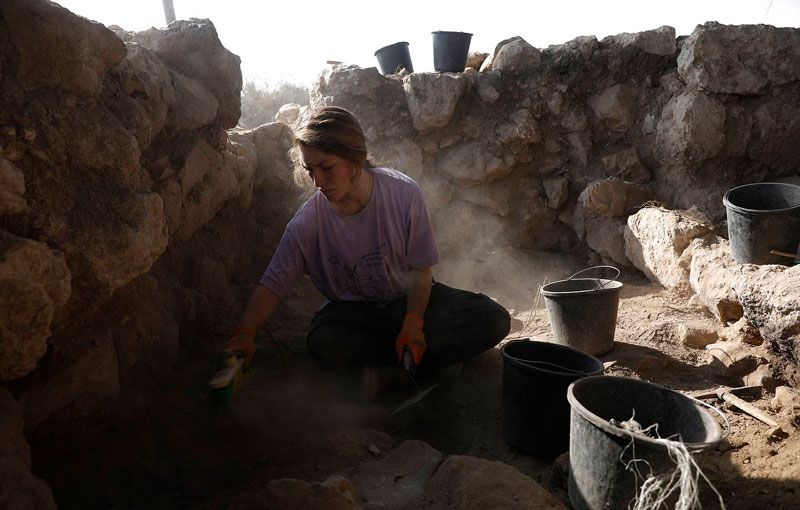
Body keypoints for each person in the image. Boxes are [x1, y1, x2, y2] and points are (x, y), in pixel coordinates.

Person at [225, 105, 510, 395]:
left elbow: (421, 271)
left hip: (409, 299)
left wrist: (413, 323)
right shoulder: (307, 223)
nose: (318, 181)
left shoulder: (404, 194)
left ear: (355, 159)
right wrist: (245, 332)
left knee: (492, 318)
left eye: (327, 168)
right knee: (323, 339)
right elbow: (272, 286)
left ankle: (397, 367)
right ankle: (420, 367)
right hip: (355, 315)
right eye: (310, 170)